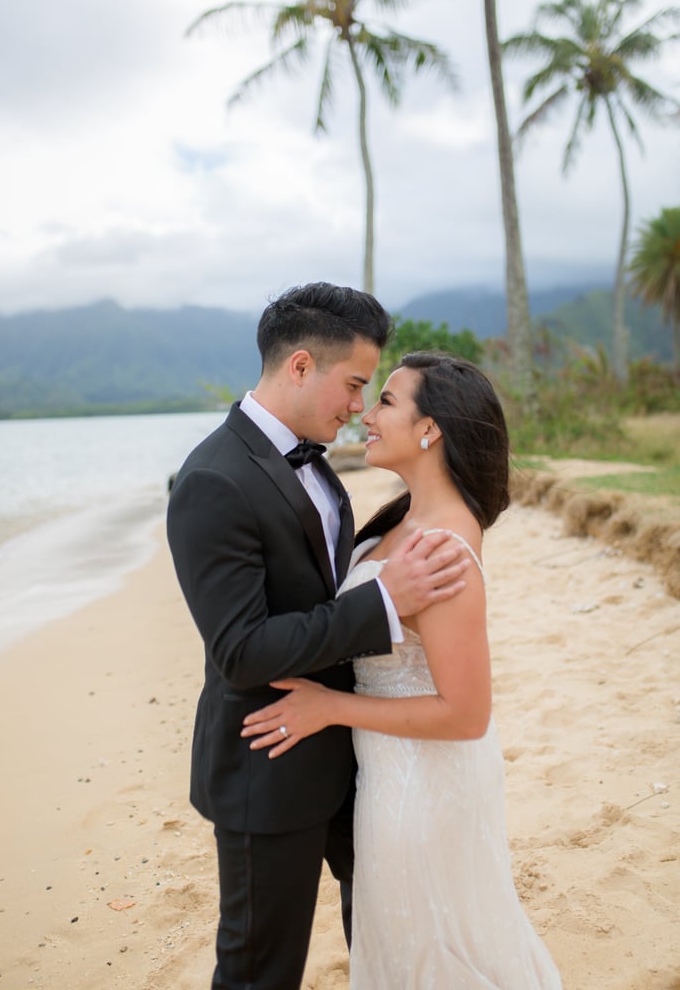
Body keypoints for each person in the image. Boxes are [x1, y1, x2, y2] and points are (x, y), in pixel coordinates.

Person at [166, 285, 470, 990]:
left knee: (382, 932)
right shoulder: (213, 480)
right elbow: (239, 650)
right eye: (356, 383)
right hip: (268, 765)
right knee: (260, 970)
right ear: (301, 366)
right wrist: (384, 603)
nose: (360, 406)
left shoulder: (314, 459)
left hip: (353, 754)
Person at [242, 352, 563, 989]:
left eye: (386, 401)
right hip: (391, 773)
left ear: (431, 428)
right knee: (410, 942)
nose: (365, 411)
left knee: (429, 948)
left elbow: (467, 715)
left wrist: (330, 707)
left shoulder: (441, 544)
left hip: (424, 783)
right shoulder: (407, 516)